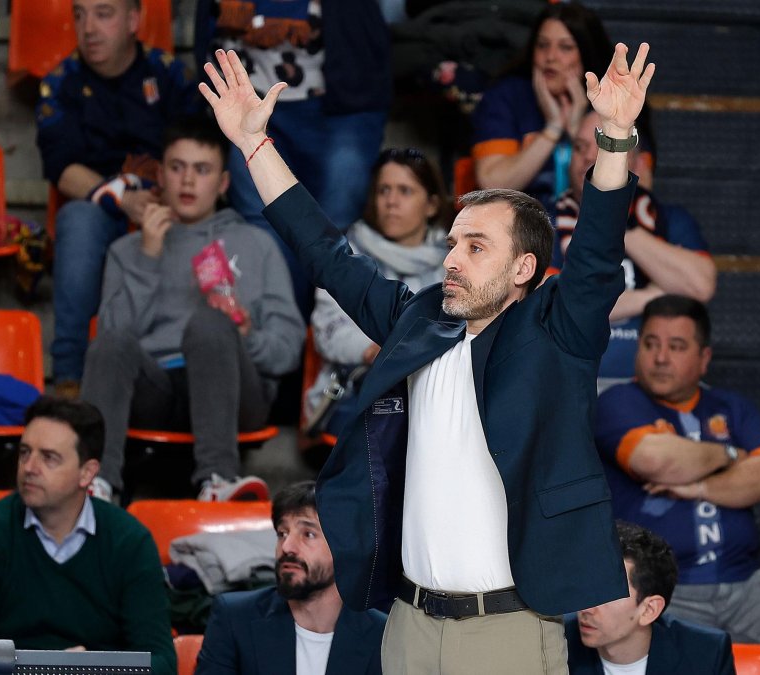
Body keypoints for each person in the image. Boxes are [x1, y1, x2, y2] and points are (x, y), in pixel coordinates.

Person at [200, 40, 655, 672]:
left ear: (525, 267)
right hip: (408, 627)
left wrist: (613, 137)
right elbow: (326, 252)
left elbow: (599, 253)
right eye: (451, 244)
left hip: (509, 630)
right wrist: (256, 145)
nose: (450, 259)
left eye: (475, 247)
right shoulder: (420, 321)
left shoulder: (559, 333)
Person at [594, 295, 760, 674]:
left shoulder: (732, 407)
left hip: (745, 583)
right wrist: (731, 456)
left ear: (704, 359)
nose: (660, 358)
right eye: (650, 344)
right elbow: (656, 461)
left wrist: (699, 487)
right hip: (661, 589)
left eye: (676, 347)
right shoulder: (618, 401)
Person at [80, 118, 304, 503]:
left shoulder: (257, 244)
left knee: (209, 323)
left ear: (222, 184)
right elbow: (111, 341)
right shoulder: (127, 250)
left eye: (201, 170)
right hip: (154, 390)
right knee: (111, 341)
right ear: (161, 176)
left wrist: (247, 334)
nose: (187, 181)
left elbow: (287, 350)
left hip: (234, 392)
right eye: (177, 167)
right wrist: (148, 257)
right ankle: (98, 486)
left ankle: (218, 479)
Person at [0, 396, 175, 674]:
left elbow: (161, 662)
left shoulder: (129, 541)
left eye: (49, 458)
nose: (29, 468)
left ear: (87, 473)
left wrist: (91, 667)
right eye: (25, 453)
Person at [194, 0, 392, 315]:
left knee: (333, 224)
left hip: (339, 106)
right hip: (248, 103)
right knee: (262, 224)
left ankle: (330, 329)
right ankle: (286, 331)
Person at [39, 0, 196, 397]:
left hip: (171, 196)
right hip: (104, 205)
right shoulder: (61, 82)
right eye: (79, 14)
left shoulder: (170, 74)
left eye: (103, 13)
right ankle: (69, 379)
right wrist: (123, 198)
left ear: (133, 20)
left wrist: (171, 197)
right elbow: (63, 171)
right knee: (77, 220)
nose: (88, 27)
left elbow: (200, 148)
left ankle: (177, 371)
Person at [552, 111, 715, 383]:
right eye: (581, 147)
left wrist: (614, 222)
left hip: (654, 389)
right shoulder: (546, 217)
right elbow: (556, 304)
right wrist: (654, 296)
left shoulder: (667, 218)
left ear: (636, 163)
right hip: (567, 383)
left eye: (605, 146)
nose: (589, 158)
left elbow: (700, 286)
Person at [304, 147, 451, 436]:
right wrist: (376, 351)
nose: (391, 201)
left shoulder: (454, 259)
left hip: (434, 386)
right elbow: (328, 330)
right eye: (384, 190)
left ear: (432, 205)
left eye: (405, 191)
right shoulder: (346, 254)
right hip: (357, 387)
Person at [196, 481, 387, 674]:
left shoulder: (384, 635)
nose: (287, 547)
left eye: (308, 534)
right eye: (282, 533)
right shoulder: (235, 618)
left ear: (347, 548)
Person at [470, 2, 614, 209]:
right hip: (516, 228)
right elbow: (492, 185)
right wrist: (553, 129)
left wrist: (576, 135)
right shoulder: (507, 96)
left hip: (585, 226)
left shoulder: (611, 103)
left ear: (586, 54)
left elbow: (618, 201)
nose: (551, 57)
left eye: (565, 47)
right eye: (542, 45)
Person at [566, 520, 736, 675]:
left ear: (649, 609)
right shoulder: (557, 642)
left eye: (607, 595)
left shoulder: (706, 654)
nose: (586, 608)